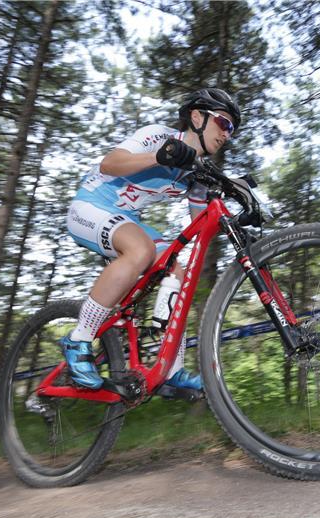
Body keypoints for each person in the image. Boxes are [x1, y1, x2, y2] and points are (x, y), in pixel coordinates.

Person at [61, 88, 241, 391]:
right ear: (197, 116)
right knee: (141, 249)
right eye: (224, 123)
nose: (227, 134)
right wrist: (159, 156)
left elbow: (201, 225)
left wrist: (235, 205)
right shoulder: (160, 136)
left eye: (232, 130)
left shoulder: (196, 172)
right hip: (90, 206)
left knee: (179, 276)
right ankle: (78, 340)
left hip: (126, 221)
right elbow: (110, 164)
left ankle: (171, 370)